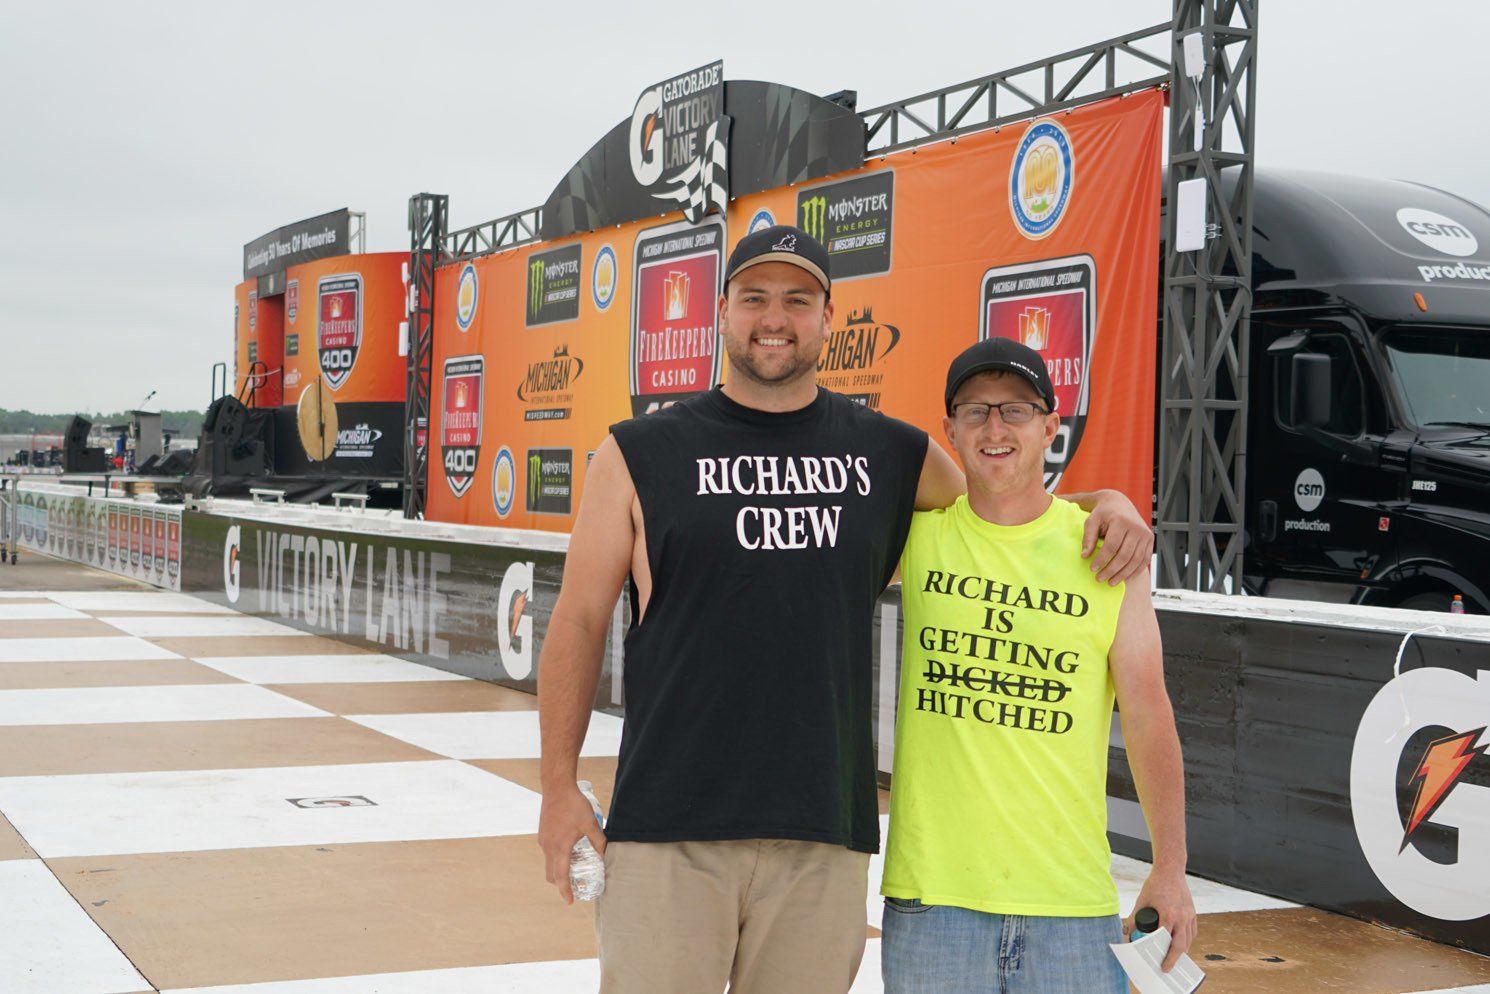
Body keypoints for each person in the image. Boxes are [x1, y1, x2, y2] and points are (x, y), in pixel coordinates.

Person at [537, 225, 1154, 994]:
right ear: (721, 312)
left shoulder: (888, 453)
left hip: (822, 837)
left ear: (830, 318)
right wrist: (558, 788)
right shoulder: (636, 453)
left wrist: (1111, 501)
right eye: (755, 297)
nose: (775, 317)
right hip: (669, 828)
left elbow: (1013, 504)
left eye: (799, 300)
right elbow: (580, 622)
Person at [879, 338, 1196, 994]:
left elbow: (1147, 711)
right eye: (975, 411)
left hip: (1071, 911)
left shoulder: (1106, 553)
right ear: (950, 431)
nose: (995, 428)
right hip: (933, 903)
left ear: (1051, 425)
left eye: (1016, 410)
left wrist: (1170, 868)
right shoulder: (917, 537)